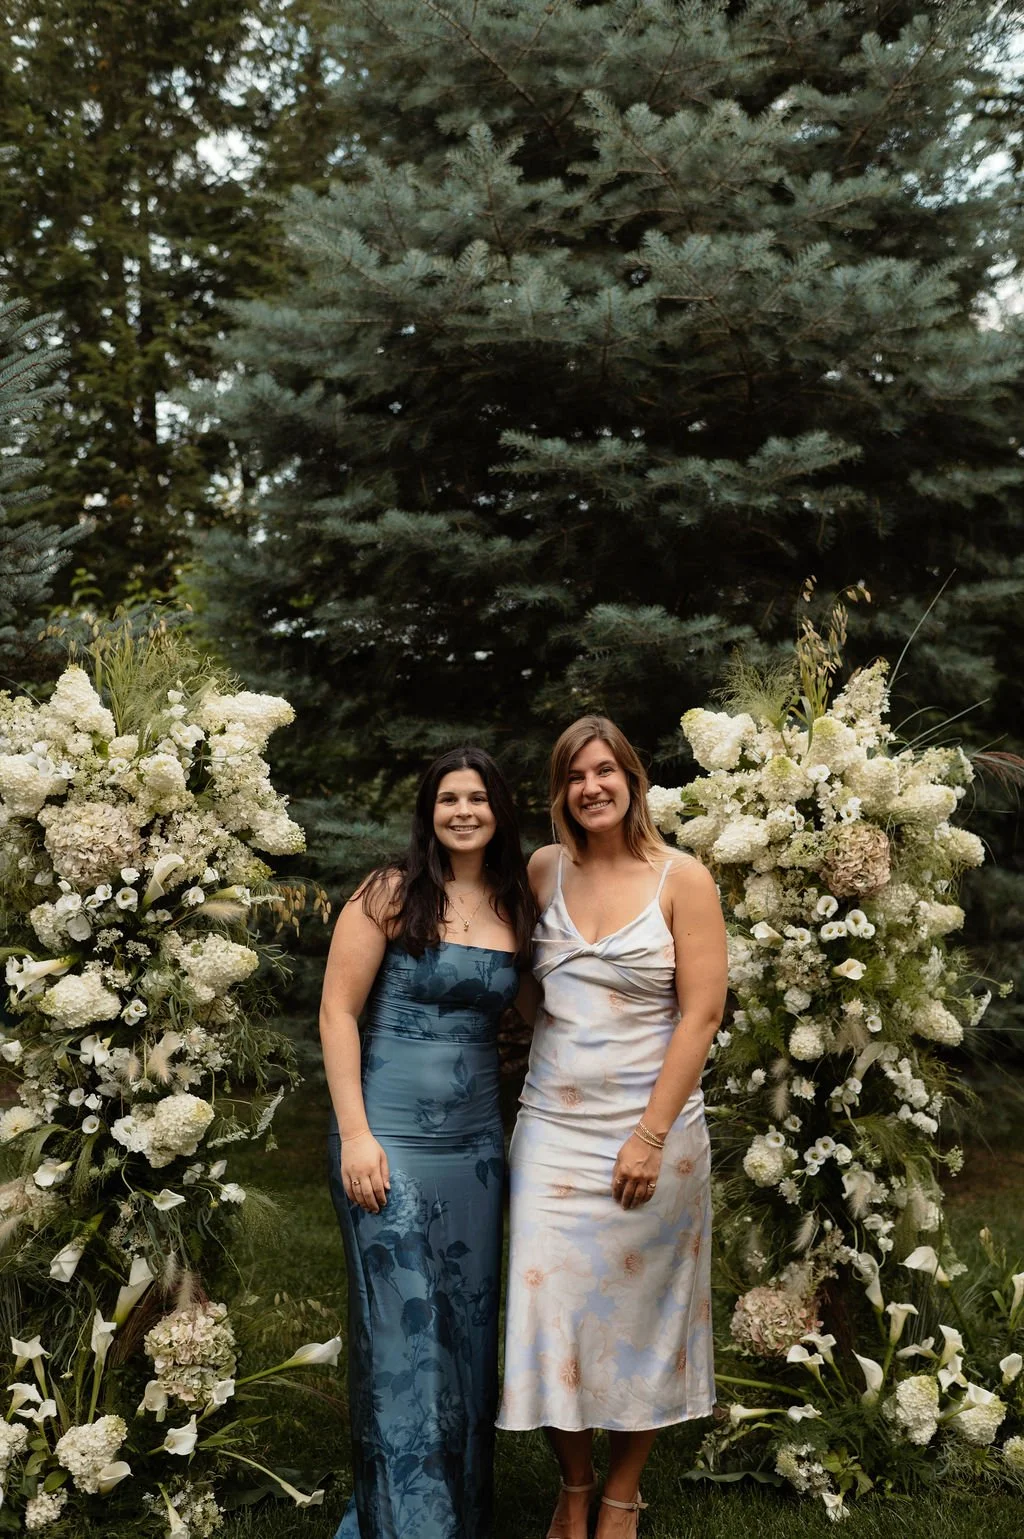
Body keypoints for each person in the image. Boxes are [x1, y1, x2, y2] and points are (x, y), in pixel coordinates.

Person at [497, 716, 728, 1539]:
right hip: (553, 1130)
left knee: (643, 1315)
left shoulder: (682, 879)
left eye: (604, 771)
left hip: (654, 1130)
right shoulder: (541, 869)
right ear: (559, 792)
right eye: (573, 776)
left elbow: (701, 1013)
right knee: (550, 1307)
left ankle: (623, 1493)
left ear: (632, 778)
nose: (590, 787)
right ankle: (573, 1483)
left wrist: (651, 1135)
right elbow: (527, 985)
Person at [320, 746, 535, 1539]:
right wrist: (354, 1135)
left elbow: (546, 1012)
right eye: (450, 797)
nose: (464, 810)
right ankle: (408, 1525)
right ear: (430, 810)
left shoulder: (518, 903)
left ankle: (459, 1515)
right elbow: (338, 1012)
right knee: (401, 1336)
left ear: (499, 810)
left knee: (466, 1333)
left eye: (478, 797)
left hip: (476, 1151)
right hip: (387, 1142)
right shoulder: (389, 891)